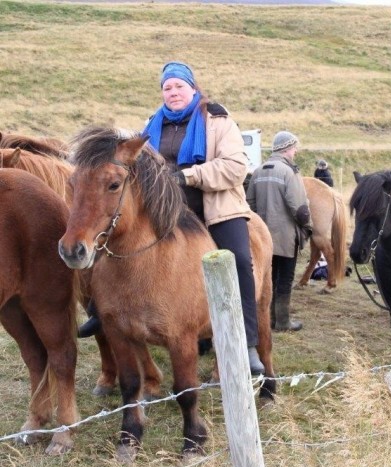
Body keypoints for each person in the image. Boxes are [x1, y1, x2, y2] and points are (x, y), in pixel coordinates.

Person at [80, 61, 265, 375]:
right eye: (167, 87)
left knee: (240, 262)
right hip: (163, 209)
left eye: (179, 86)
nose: (173, 92)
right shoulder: (152, 124)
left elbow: (236, 166)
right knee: (108, 242)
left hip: (213, 206)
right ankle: (103, 309)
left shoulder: (217, 119)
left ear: (193, 88)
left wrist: (187, 176)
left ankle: (246, 344)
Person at [246, 131, 311, 332]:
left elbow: (250, 205)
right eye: (294, 148)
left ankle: (266, 320)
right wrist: (308, 227)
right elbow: (299, 208)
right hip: (285, 239)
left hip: (261, 240)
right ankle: (282, 321)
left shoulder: (257, 172)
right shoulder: (288, 172)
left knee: (268, 280)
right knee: (285, 279)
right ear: (287, 148)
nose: (296, 151)